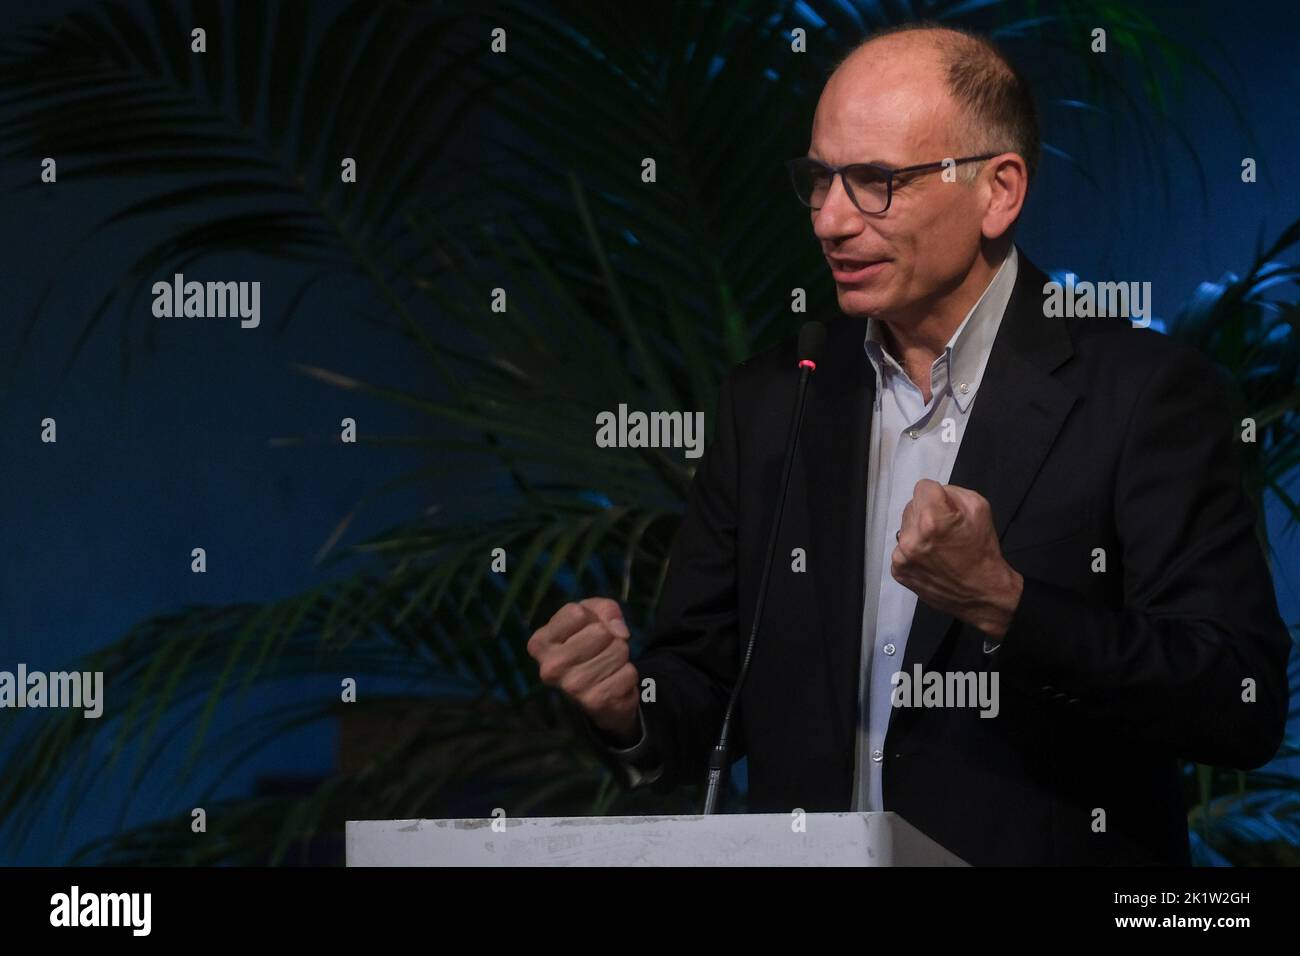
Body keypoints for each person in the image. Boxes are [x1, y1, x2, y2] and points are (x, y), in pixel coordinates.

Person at [526, 22, 1291, 865]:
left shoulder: (1141, 392)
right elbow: (708, 695)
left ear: (999, 191)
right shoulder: (775, 398)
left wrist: (1007, 601)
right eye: (818, 181)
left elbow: (1237, 703)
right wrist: (625, 704)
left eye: (875, 182)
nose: (829, 220)